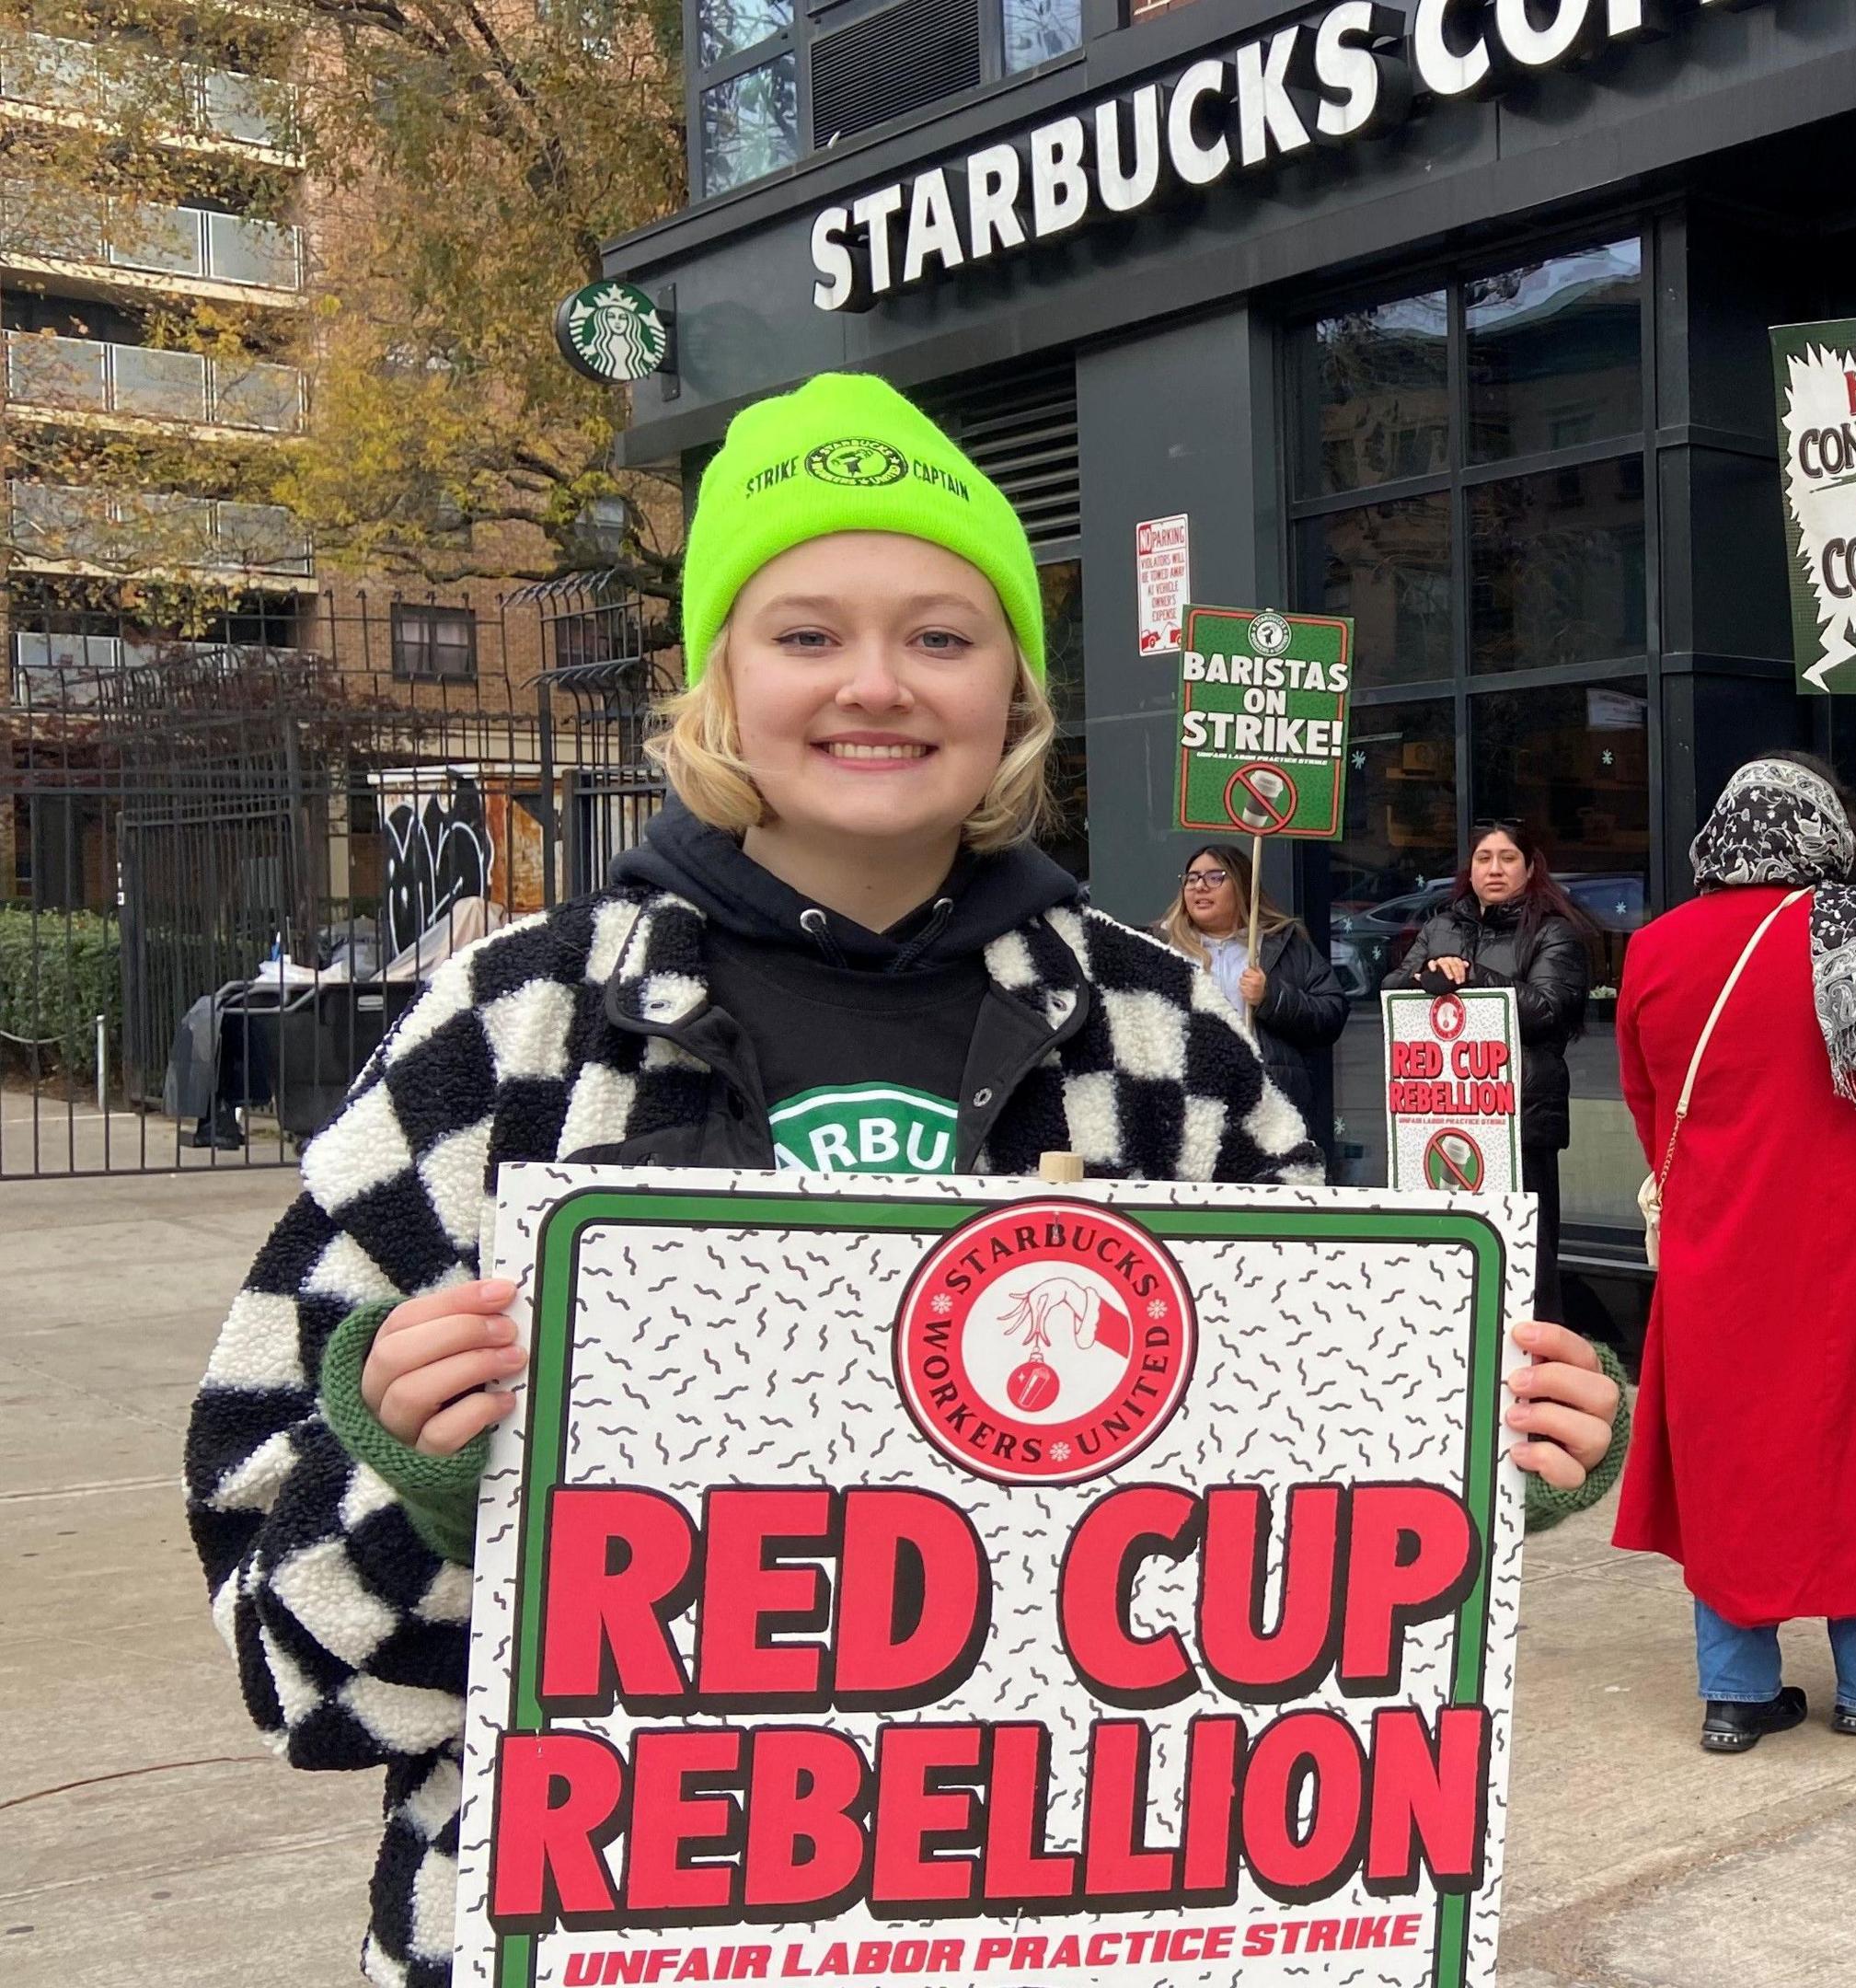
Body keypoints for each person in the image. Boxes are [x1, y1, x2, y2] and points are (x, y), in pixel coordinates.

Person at [178, 373, 1626, 1988]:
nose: (877, 685)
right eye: (806, 632)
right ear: (716, 674)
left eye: (942, 634)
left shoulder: (1161, 1039)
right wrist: (424, 1478)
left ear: (1014, 682)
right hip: (587, 1924)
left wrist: (1469, 1460)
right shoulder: (512, 1030)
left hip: (1085, 1929)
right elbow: (288, 1669)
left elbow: (1296, 1548)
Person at [1615, 754, 1856, 1752]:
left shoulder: (1655, 949)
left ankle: (1736, 1692)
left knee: (1734, 1459)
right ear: (1828, 837)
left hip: (1723, 1249)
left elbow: (1654, 1106)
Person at [1389, 819, 1590, 1316]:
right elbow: (1391, 990)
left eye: (1507, 858)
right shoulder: (1440, 927)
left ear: (1529, 868)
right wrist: (1428, 975)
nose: (1494, 869)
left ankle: (1534, 1367)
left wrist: (1473, 976)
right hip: (1444, 1117)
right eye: (1483, 858)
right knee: (1446, 1248)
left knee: (1527, 1258)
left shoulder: (1553, 931)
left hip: (1520, 1118)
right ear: (1470, 869)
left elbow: (1548, 1009)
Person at [1159, 840, 1352, 1179]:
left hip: (1265, 1105)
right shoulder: (1160, 949)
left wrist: (1271, 997)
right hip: (1185, 1105)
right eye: (1191, 878)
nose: (1200, 886)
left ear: (1244, 885)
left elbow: (1331, 1012)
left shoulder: (1282, 943)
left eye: (1215, 877)